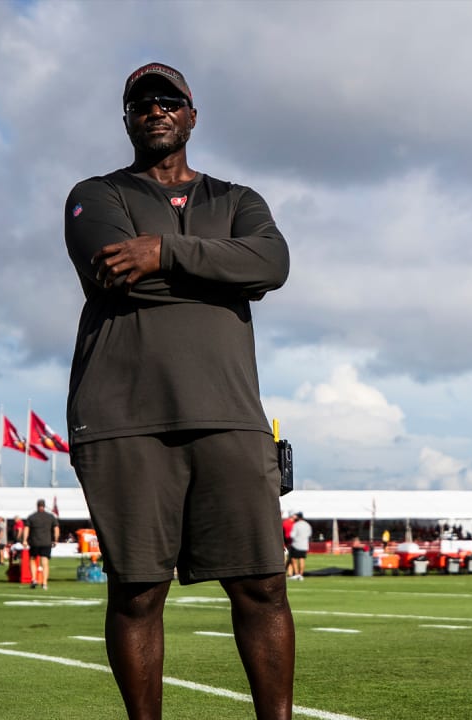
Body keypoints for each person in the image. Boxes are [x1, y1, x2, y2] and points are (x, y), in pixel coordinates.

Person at [64, 63, 293, 720]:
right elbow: (115, 272)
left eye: (170, 99)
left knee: (262, 585)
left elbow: (270, 265)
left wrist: (162, 253)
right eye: (141, 101)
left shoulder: (239, 199)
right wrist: (224, 269)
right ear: (128, 117)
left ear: (192, 115)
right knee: (137, 591)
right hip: (123, 417)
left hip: (230, 413)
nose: (155, 108)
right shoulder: (95, 193)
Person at [22, 499, 59, 589]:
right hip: (46, 542)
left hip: (34, 542)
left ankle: (34, 579)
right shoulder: (50, 517)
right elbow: (56, 529)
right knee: (45, 562)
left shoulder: (31, 517)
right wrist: (55, 539)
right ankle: (44, 583)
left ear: (37, 506)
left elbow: (26, 529)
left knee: (32, 560)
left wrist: (24, 540)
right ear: (44, 506)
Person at [287, 512, 311, 580]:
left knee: (293, 559)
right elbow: (309, 534)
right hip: (304, 545)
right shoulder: (307, 525)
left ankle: (297, 574)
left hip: (296, 544)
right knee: (302, 559)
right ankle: (301, 575)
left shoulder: (296, 525)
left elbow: (292, 535)